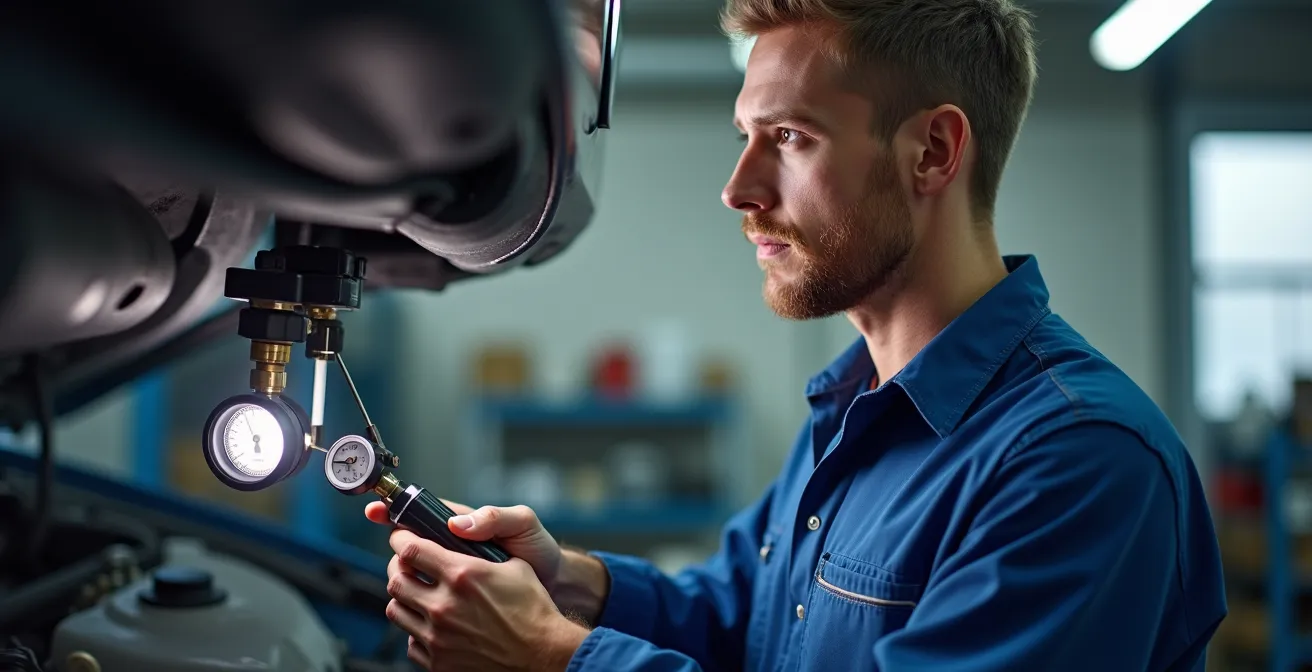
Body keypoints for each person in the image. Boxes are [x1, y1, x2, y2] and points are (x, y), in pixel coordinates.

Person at [364, 0, 1229, 669]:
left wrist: (555, 657)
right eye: (748, 137)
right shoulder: (856, 406)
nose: (738, 189)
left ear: (932, 152)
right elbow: (748, 618)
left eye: (789, 137)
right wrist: (573, 583)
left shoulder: (1080, 462)